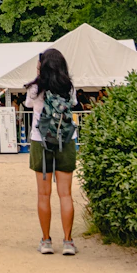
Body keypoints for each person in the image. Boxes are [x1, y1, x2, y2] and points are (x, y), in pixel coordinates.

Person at [24, 48, 78, 256]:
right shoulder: (69, 87)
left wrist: (38, 74)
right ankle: (68, 241)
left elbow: (29, 105)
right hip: (65, 140)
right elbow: (73, 104)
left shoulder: (36, 88)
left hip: (41, 141)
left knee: (43, 194)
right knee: (65, 194)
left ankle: (46, 241)